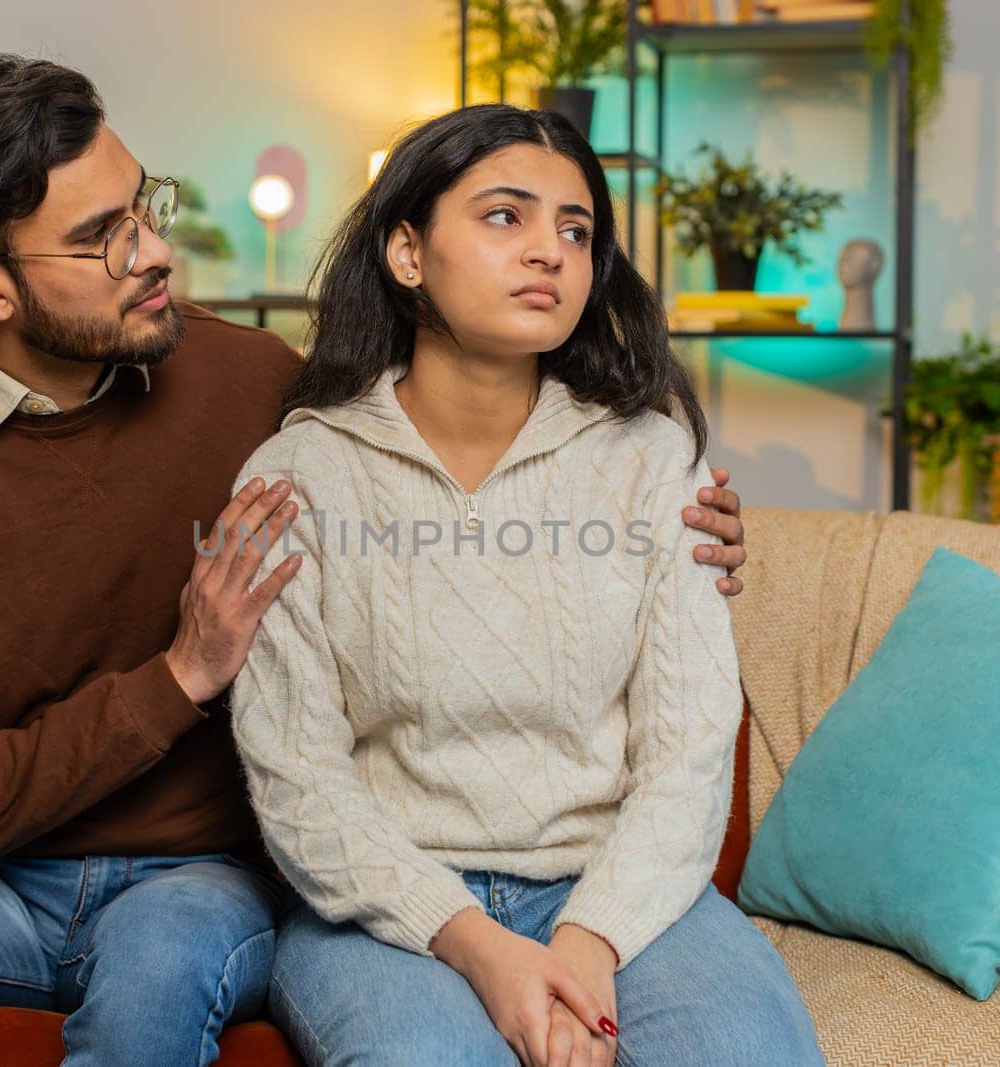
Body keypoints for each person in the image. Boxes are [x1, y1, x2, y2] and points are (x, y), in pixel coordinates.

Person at [0, 58, 749, 1065]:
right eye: (102, 238)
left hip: (201, 871)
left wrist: (679, 533)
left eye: (142, 206)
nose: (155, 252)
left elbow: (447, 446)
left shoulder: (256, 385)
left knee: (157, 974)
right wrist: (177, 676)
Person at [229, 104, 817, 1067]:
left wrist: (590, 940)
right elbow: (299, 779)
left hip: (616, 887)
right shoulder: (303, 473)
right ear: (407, 252)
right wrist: (478, 945)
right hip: (388, 907)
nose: (549, 250)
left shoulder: (650, 458)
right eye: (505, 216)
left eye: (575, 229)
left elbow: (692, 748)